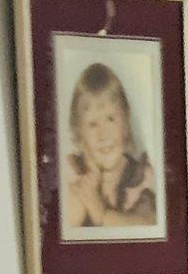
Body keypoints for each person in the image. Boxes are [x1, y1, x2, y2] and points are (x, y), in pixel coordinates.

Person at [62, 61, 158, 228]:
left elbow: (147, 223)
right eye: (92, 124)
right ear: (79, 133)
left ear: (126, 122)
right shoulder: (75, 176)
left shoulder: (140, 177)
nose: (103, 135)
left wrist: (101, 213)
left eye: (111, 119)